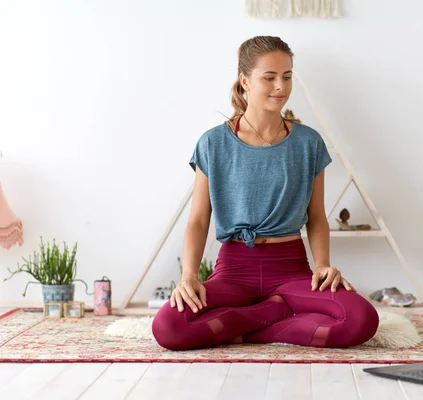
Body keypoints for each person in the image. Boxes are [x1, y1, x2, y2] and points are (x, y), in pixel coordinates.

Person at [152, 36, 379, 350]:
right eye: (269, 77)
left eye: (286, 77)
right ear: (245, 81)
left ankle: (250, 325)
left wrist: (324, 264)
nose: (280, 87)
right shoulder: (213, 143)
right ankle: (276, 312)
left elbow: (316, 218)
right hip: (233, 271)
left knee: (361, 319)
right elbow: (199, 220)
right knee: (168, 328)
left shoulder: (308, 143)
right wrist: (189, 275)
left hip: (291, 270)